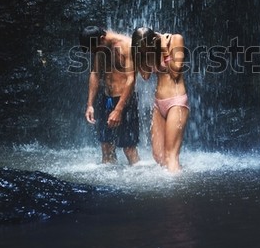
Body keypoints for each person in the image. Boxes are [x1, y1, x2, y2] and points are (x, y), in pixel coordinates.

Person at [79, 26, 140, 165]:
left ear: (101, 39)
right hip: (106, 99)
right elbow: (95, 73)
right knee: (106, 147)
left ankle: (138, 183)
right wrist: (90, 105)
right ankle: (110, 186)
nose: (94, 53)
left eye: (94, 50)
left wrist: (118, 110)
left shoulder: (127, 45)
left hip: (125, 101)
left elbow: (131, 79)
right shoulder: (100, 46)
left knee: (129, 148)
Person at [131, 27, 189, 172]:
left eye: (146, 48)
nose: (145, 51)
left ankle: (176, 190)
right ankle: (174, 178)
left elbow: (176, 73)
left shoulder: (175, 39)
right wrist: (140, 55)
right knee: (158, 156)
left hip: (176, 102)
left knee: (171, 155)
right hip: (159, 104)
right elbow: (145, 75)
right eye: (142, 50)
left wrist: (164, 49)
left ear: (154, 41)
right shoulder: (148, 51)